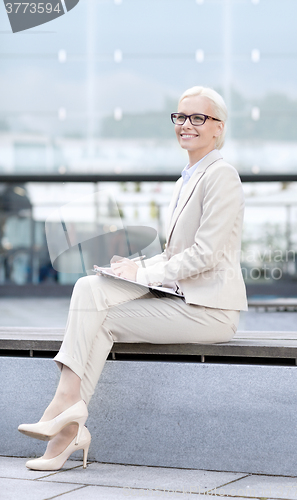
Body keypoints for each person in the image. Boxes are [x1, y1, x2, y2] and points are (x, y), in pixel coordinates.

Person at [18, 86, 248, 470]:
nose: (185, 124)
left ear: (218, 128)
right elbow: (177, 254)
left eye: (197, 118)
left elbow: (205, 255)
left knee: (95, 306)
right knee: (90, 290)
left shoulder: (221, 176)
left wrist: (143, 272)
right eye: (180, 116)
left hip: (211, 309)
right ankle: (67, 427)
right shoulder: (189, 177)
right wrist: (136, 265)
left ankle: (64, 411)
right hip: (182, 299)